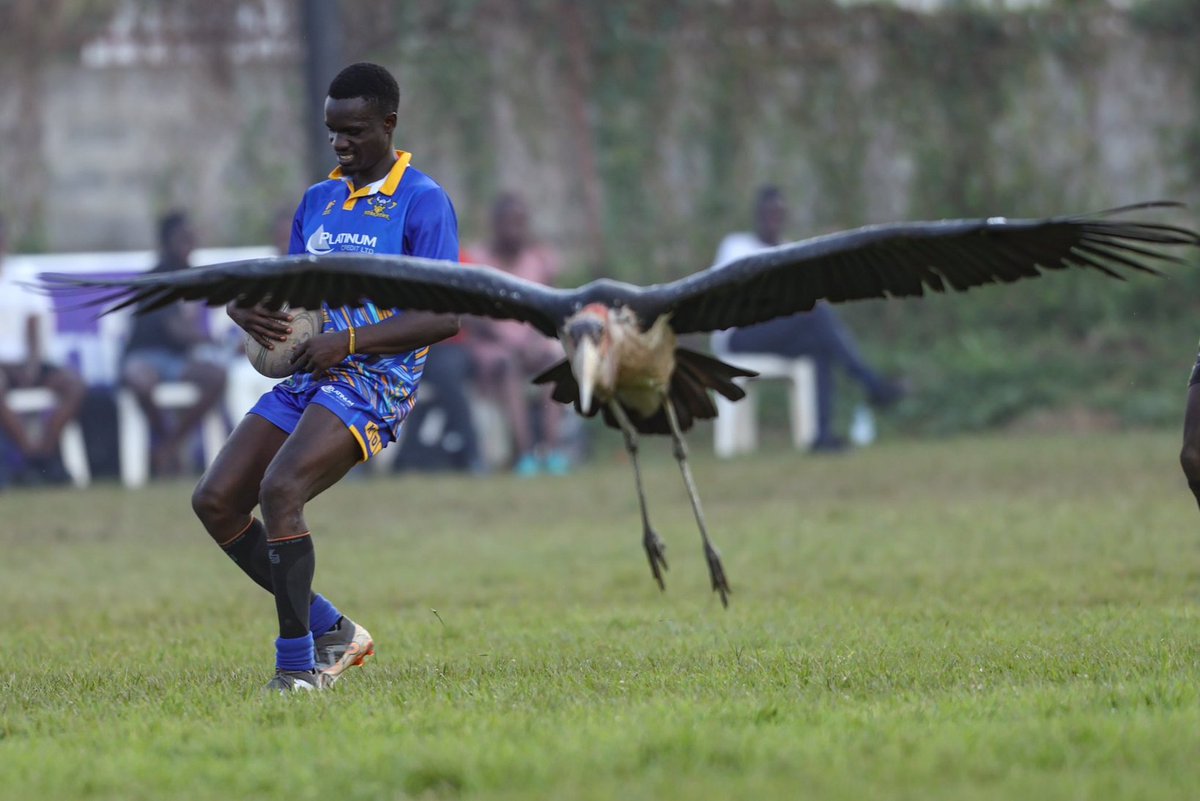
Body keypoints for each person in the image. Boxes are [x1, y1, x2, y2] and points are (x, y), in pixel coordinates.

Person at [189, 62, 461, 693]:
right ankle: (332, 629)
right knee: (217, 499)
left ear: (389, 124)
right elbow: (292, 296)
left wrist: (352, 341)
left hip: (376, 382)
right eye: (332, 131)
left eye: (355, 131)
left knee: (281, 490)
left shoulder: (422, 200)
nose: (340, 143)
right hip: (314, 376)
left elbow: (445, 315)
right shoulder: (317, 200)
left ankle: (298, 669)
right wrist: (243, 307)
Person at [712, 186, 905, 452]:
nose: (773, 219)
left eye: (779, 213)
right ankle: (871, 384)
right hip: (738, 335)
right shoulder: (736, 246)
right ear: (757, 215)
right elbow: (726, 296)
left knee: (820, 345)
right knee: (815, 313)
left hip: (777, 330)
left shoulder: (790, 250)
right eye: (769, 213)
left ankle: (821, 436)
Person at [464, 192, 569, 475]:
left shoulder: (540, 259)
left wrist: (534, 339)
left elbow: (553, 307)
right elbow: (470, 314)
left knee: (555, 362)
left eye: (520, 223)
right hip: (493, 346)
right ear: (495, 225)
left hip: (534, 341)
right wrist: (508, 343)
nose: (515, 230)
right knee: (508, 366)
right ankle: (525, 455)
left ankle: (553, 450)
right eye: (508, 223)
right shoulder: (477, 260)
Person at [121, 211, 228, 476]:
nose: (189, 244)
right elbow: (176, 330)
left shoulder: (192, 277)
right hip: (144, 354)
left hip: (179, 360)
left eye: (191, 238)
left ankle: (169, 446)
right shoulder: (156, 278)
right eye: (182, 239)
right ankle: (168, 443)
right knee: (139, 381)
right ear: (166, 243)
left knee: (216, 377)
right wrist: (215, 340)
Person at [0, 214, 86, 484]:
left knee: (75, 385)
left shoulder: (22, 272)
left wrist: (32, 366)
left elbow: (34, 324)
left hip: (29, 361)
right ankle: (33, 456)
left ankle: (44, 451)